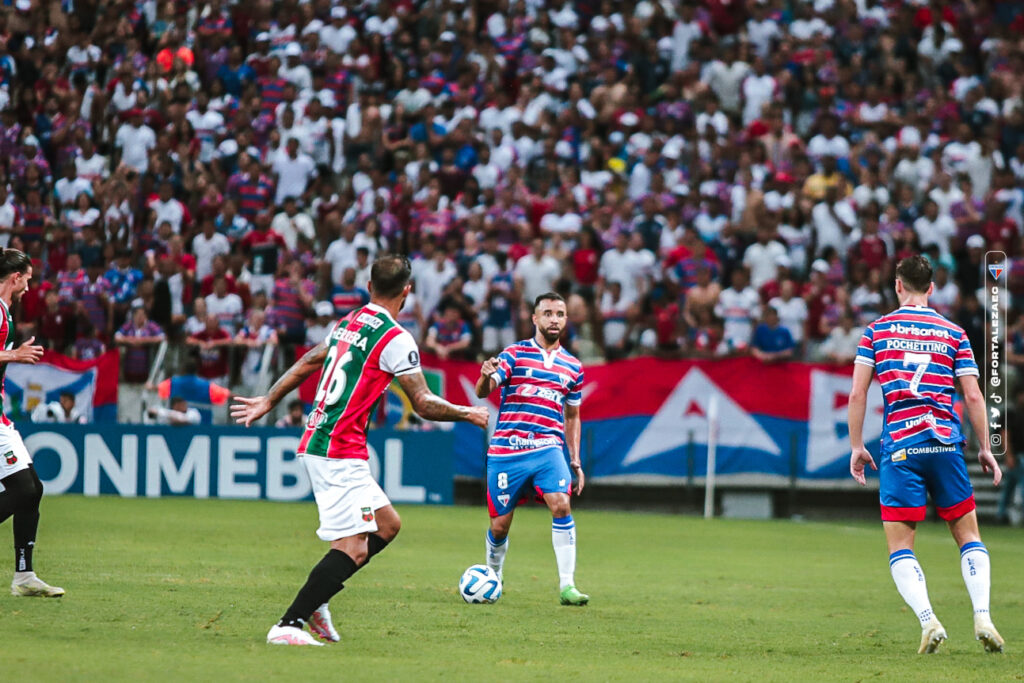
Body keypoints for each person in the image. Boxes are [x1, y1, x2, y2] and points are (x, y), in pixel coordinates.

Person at [231, 255, 489, 646]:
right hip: (337, 450)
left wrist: (270, 398)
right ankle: (288, 624)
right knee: (352, 548)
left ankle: (318, 601)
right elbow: (421, 402)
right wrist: (468, 412)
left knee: (387, 525)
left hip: (327, 441)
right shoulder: (395, 339)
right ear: (407, 291)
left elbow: (309, 360)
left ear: (369, 287)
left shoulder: (348, 322)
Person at [848, 255, 1003, 654]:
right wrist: (986, 447)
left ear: (898, 286)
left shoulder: (876, 331)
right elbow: (972, 393)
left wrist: (857, 446)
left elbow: (859, 393)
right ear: (931, 288)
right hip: (944, 442)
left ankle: (928, 620)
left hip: (901, 446)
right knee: (968, 535)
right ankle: (982, 615)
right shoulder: (953, 332)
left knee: (901, 546)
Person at [474, 292, 589, 606]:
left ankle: (568, 586)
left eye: (560, 314)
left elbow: (573, 414)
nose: (554, 319)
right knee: (499, 526)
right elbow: (485, 389)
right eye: (548, 313)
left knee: (561, 504)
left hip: (547, 448)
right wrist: (485, 376)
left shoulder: (573, 367)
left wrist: (575, 460)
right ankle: (493, 578)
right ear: (535, 319)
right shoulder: (514, 353)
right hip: (507, 451)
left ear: (566, 320)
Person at [0, 249, 64, 597]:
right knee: (24, 490)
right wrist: (15, 354)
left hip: (1, 417)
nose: (29, 285)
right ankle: (23, 577)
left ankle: (24, 576)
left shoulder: (5, 311)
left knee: (32, 490)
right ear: (15, 278)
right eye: (27, 278)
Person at [997, 386, 1024, 525]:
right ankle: (1002, 514)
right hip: (1017, 455)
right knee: (1015, 486)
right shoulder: (1012, 413)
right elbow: (1005, 434)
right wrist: (1009, 455)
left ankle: (1001, 513)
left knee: (1009, 486)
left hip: (1018, 455)